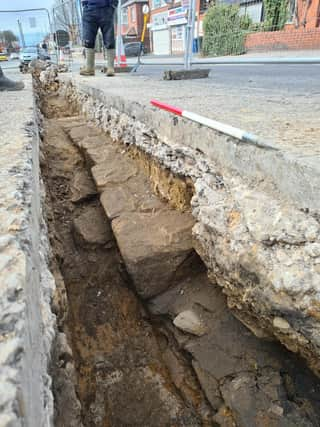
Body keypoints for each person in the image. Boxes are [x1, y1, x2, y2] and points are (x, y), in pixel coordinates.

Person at [80, 0, 118, 77]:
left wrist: (113, 4)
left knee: (109, 38)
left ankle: (110, 68)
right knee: (88, 39)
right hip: (89, 8)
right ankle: (89, 67)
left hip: (106, 7)